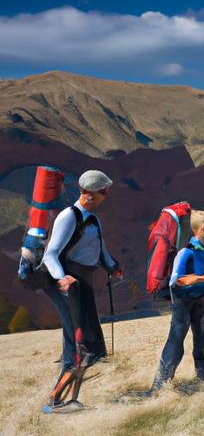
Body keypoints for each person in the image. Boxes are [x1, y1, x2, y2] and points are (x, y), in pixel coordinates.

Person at [42, 170, 119, 405]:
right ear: (88, 194)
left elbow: (100, 248)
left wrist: (111, 266)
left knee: (89, 341)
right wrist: (62, 278)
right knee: (77, 337)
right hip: (66, 282)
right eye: (102, 192)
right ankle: (56, 399)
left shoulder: (94, 219)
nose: (105, 196)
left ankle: (71, 398)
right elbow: (50, 255)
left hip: (82, 282)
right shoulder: (68, 216)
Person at [150, 210, 204, 391]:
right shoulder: (186, 252)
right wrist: (201, 278)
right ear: (196, 230)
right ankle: (160, 384)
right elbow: (177, 280)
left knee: (203, 335)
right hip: (182, 300)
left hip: (200, 299)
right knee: (177, 338)